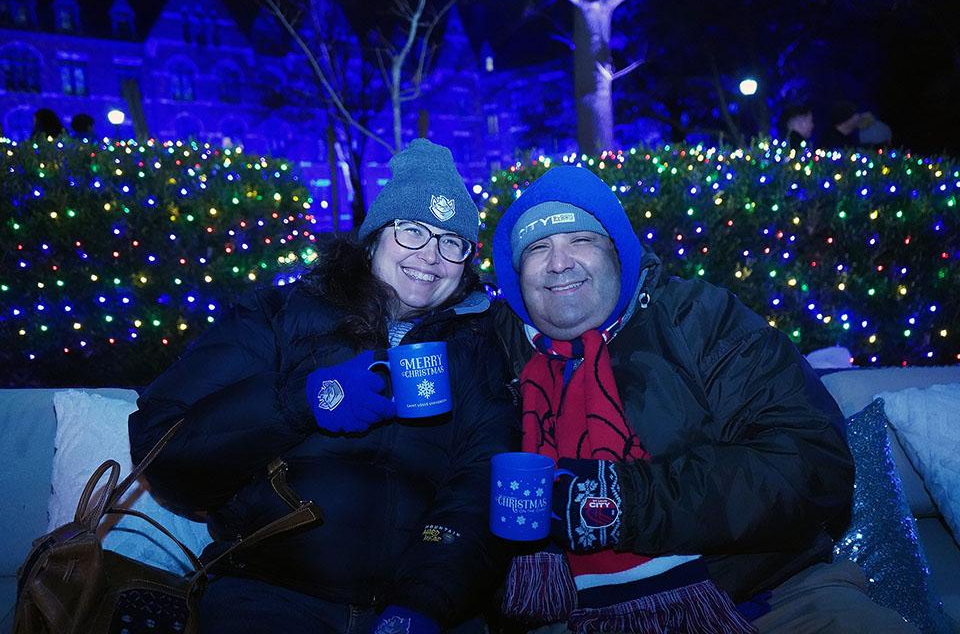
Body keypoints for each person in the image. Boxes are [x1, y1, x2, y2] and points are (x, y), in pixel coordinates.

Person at [490, 165, 917, 633]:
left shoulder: (699, 319)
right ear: (517, 279)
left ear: (618, 253)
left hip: (764, 595)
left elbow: (812, 463)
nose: (559, 262)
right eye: (537, 248)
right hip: (570, 615)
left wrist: (620, 502)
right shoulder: (498, 353)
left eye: (581, 240)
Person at [129, 138, 518, 634]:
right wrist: (302, 401)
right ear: (374, 238)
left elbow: (480, 485)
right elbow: (162, 452)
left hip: (424, 606)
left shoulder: (477, 348)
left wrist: (426, 602)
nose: (431, 256)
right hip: (270, 594)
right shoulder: (277, 315)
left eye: (451, 241)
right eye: (413, 231)